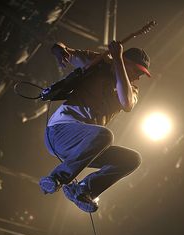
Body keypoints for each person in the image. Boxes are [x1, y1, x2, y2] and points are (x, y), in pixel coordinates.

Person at [39, 40, 151, 213]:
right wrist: (60, 51)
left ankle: (83, 189)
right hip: (60, 133)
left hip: (86, 145)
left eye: (140, 75)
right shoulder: (99, 63)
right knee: (104, 136)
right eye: (136, 71)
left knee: (131, 159)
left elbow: (127, 103)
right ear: (124, 61)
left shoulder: (131, 90)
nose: (137, 77)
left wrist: (119, 60)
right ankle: (57, 177)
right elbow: (60, 47)